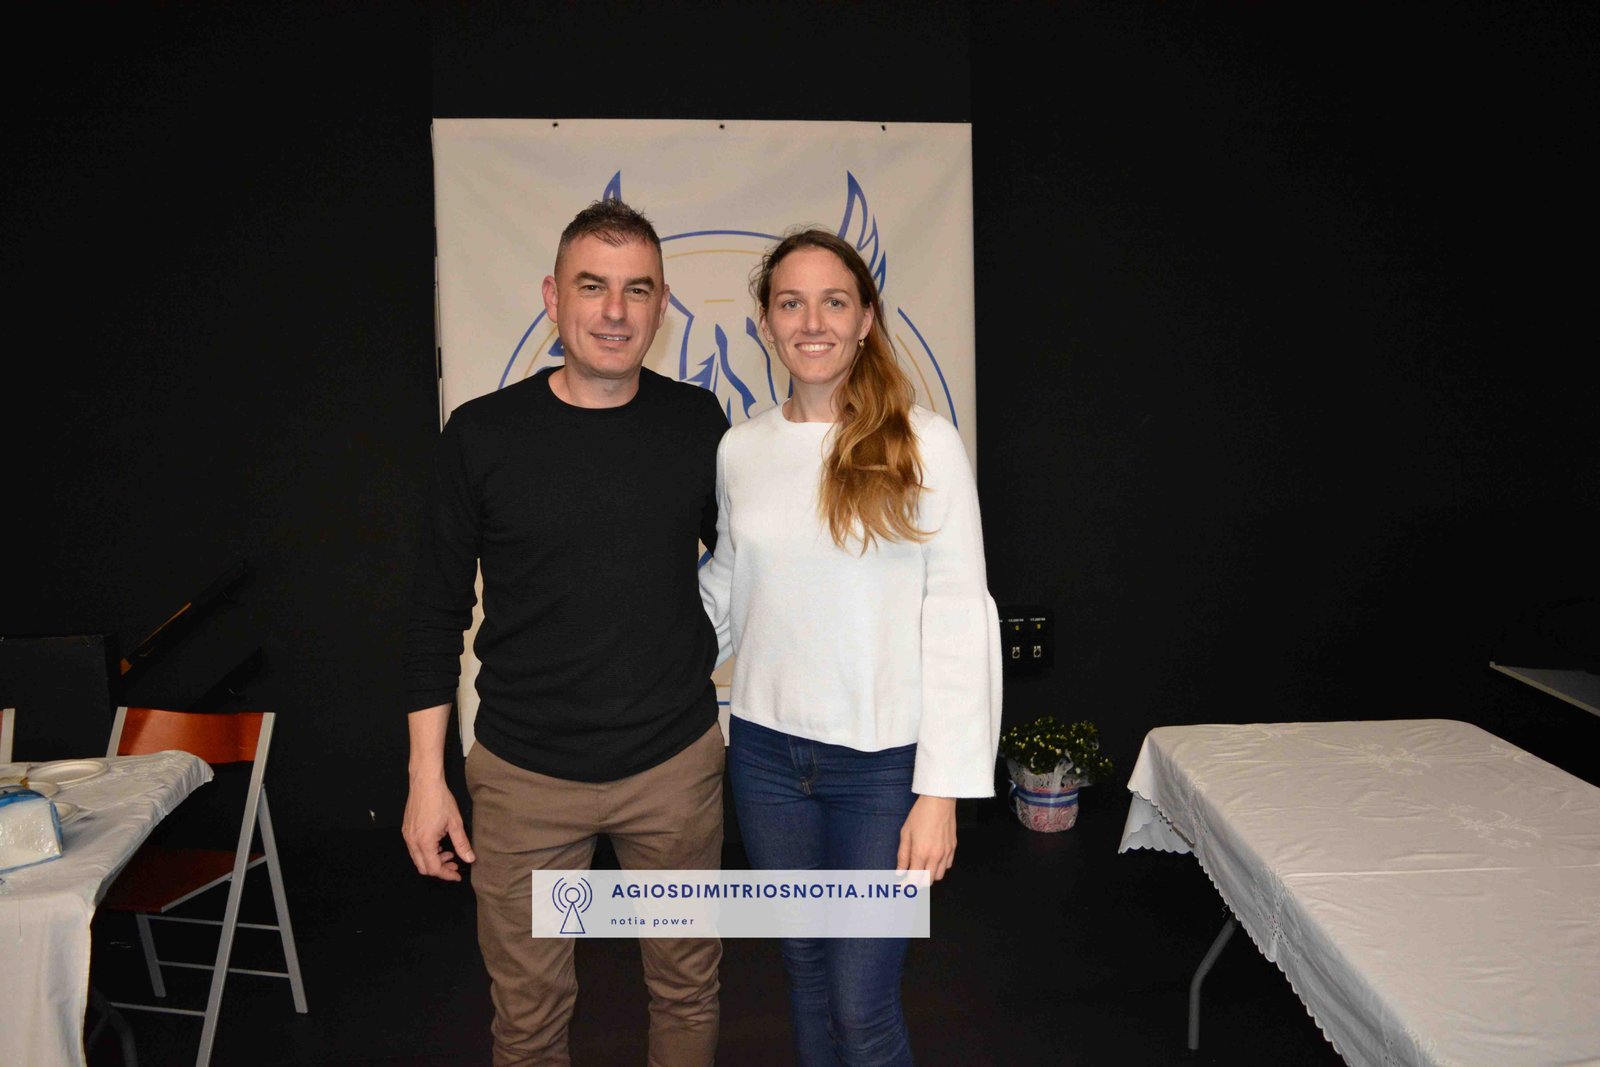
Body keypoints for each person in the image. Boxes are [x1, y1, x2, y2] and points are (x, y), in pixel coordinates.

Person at [402, 199, 729, 1066]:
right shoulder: (480, 435)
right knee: (529, 1017)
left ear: (662, 307)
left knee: (687, 989)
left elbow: (757, 567)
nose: (615, 311)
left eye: (637, 289)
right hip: (524, 781)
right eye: (592, 286)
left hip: (672, 767)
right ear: (553, 297)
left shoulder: (698, 424)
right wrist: (426, 779)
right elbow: (433, 612)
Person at [699, 228, 1001, 1065]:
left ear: (866, 318)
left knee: (862, 1009)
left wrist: (940, 792)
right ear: (765, 322)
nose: (812, 322)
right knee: (803, 970)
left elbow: (958, 615)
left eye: (834, 302)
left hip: (882, 771)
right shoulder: (741, 450)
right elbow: (728, 587)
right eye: (790, 303)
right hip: (766, 758)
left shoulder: (925, 443)